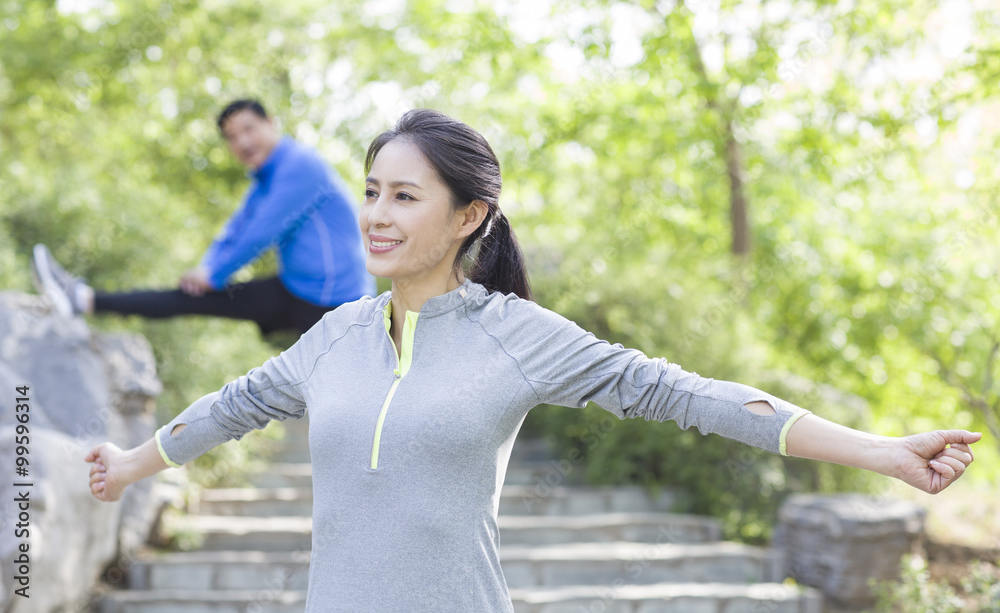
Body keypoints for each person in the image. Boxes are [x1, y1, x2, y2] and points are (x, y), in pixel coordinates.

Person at [83, 109, 981, 612]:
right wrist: (130, 463)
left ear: (469, 216)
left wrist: (880, 450)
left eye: (405, 195)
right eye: (369, 193)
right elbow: (230, 405)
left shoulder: (516, 332)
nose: (377, 215)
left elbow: (688, 395)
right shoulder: (335, 335)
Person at [31, 99, 375, 339]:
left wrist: (215, 275)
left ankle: (81, 300)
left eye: (248, 129)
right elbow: (236, 228)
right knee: (189, 296)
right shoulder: (265, 176)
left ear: (271, 123)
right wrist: (207, 269)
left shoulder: (300, 165)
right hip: (297, 291)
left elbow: (259, 233)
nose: (241, 141)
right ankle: (83, 300)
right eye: (231, 136)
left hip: (334, 305)